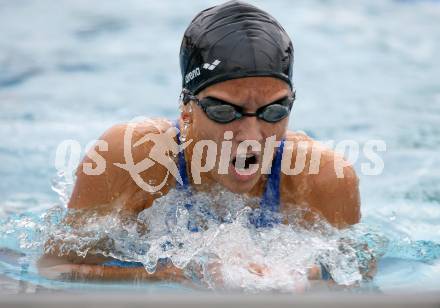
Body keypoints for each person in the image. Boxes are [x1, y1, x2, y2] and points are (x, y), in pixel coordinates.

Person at [38, 1, 361, 286]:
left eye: (274, 111)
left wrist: (303, 273)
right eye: (223, 111)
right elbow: (52, 269)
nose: (251, 135)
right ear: (187, 108)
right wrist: (164, 277)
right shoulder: (130, 159)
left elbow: (360, 266)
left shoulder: (323, 177)